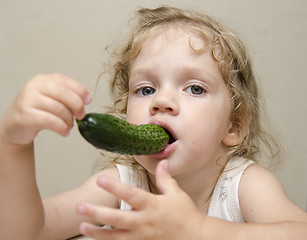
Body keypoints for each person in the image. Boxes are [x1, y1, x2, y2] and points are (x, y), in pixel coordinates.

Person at [0, 6, 306, 240]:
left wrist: (198, 229)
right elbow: (28, 232)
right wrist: (14, 144)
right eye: (146, 90)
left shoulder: (241, 186)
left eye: (195, 88)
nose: (161, 102)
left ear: (234, 126)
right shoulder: (122, 186)